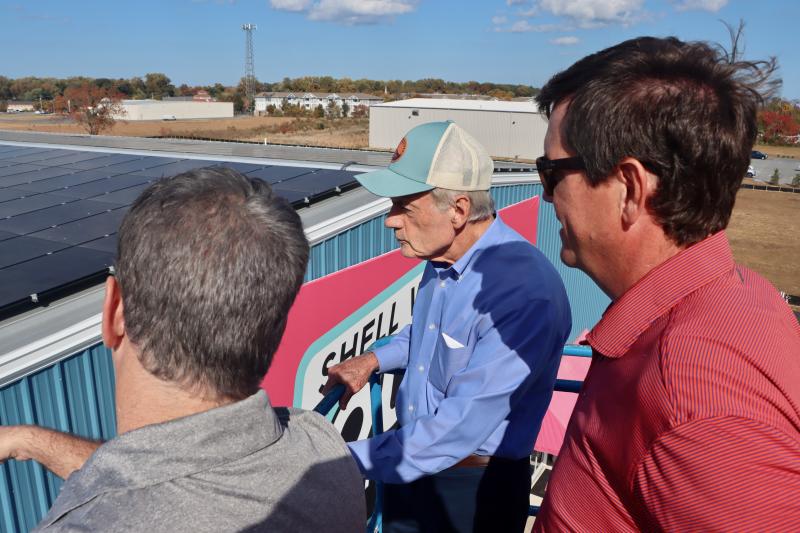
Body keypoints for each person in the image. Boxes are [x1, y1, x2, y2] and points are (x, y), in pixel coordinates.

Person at [0, 167, 366, 532]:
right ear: (273, 323)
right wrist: (29, 442)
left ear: (114, 312)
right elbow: (168, 475)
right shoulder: (321, 449)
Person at [532, 36, 800, 531]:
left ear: (630, 189)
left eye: (551, 172)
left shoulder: (690, 395)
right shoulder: (738, 296)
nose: (547, 197)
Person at [323, 121, 572, 532]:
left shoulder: (524, 294)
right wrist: (372, 358)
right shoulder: (444, 260)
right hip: (411, 462)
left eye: (404, 206)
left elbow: (460, 427)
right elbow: (428, 336)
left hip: (471, 492)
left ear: (457, 210)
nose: (391, 221)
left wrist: (338, 462)